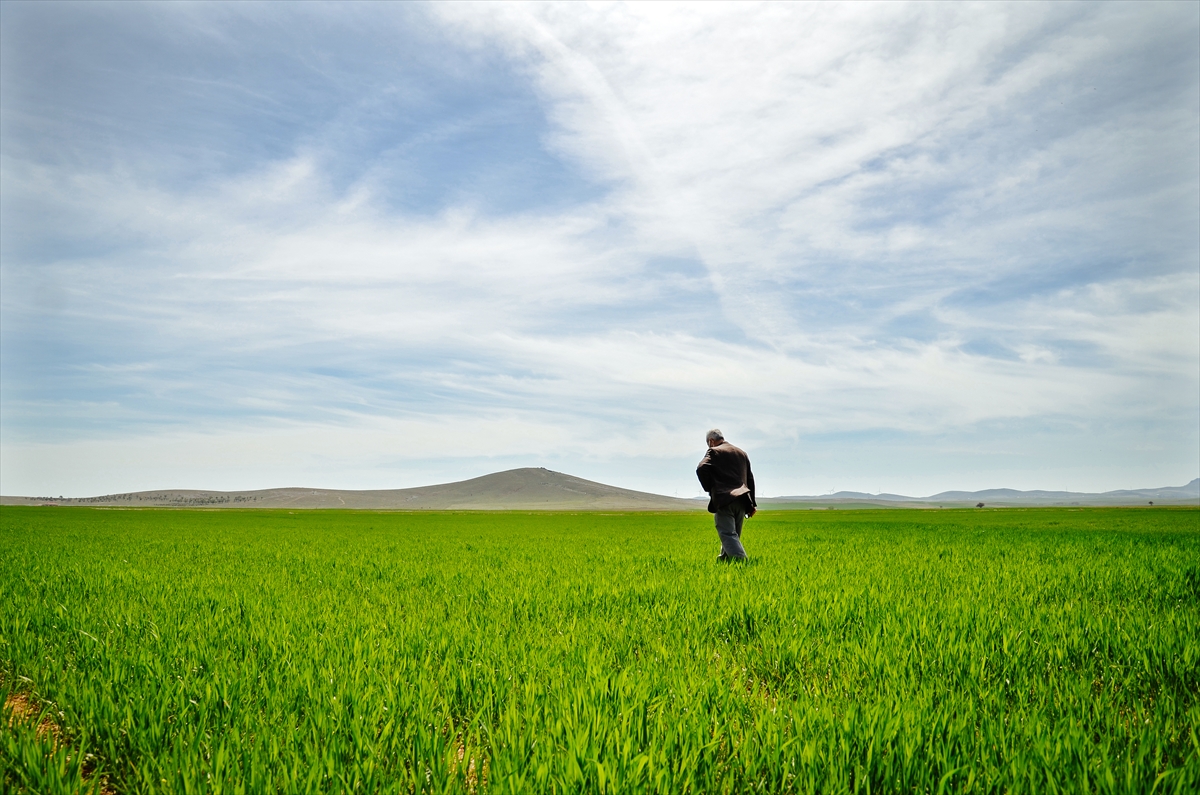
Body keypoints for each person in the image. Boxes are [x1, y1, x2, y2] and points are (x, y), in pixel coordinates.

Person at [696, 429, 756, 561]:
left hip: (725, 499)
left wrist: (710, 488)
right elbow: (750, 479)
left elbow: (701, 468)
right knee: (734, 536)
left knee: (728, 534)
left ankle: (742, 562)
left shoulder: (714, 451)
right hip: (742, 500)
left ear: (711, 441)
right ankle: (724, 560)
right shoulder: (742, 453)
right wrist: (752, 504)